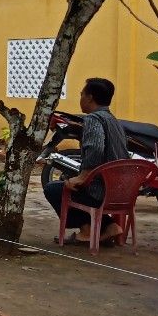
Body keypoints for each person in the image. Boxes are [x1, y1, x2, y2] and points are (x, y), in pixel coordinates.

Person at [43, 77, 130, 245]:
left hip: (102, 191)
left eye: (82, 94)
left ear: (90, 97)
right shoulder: (114, 121)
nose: (80, 98)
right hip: (122, 191)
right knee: (72, 187)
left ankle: (86, 231)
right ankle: (110, 226)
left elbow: (96, 149)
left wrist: (82, 177)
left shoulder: (93, 119)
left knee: (54, 189)